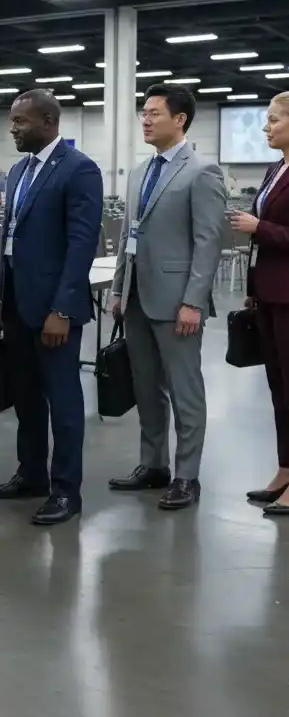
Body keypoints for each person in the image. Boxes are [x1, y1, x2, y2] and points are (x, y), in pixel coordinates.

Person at [0, 90, 102, 526]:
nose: (12, 127)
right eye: (12, 120)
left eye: (21, 121)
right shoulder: (17, 172)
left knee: (64, 401)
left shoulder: (79, 170)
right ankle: (30, 473)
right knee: (26, 399)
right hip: (17, 305)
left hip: (55, 309)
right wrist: (0, 297)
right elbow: (10, 241)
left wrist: (64, 309)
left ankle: (66, 490)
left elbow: (81, 245)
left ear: (49, 121)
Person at [110, 85, 225, 510]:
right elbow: (127, 236)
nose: (145, 119)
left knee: (184, 389)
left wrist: (194, 301)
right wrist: (120, 289)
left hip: (178, 301)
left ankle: (187, 475)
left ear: (180, 120)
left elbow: (208, 241)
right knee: (146, 386)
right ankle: (153, 464)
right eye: (143, 112)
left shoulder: (202, 171)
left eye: (154, 112)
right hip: (138, 296)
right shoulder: (140, 172)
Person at [231, 92, 289, 515]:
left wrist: (260, 227)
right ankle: (285, 468)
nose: (265, 127)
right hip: (268, 291)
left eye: (272, 120)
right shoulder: (275, 169)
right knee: (279, 387)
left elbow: (271, 231)